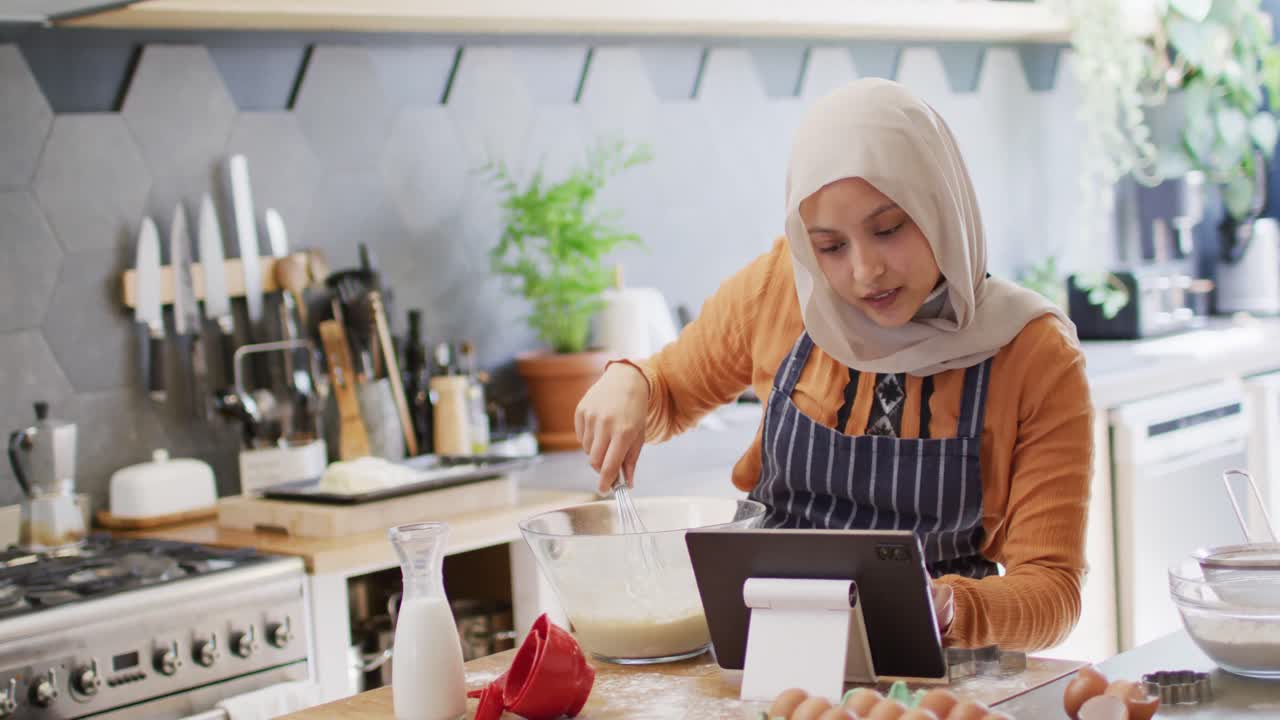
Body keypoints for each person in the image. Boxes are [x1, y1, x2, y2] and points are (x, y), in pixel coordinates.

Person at [573, 78, 1092, 652]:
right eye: (830, 246)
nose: (865, 271)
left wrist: (944, 606)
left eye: (889, 228)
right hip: (771, 659)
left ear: (942, 206)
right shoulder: (781, 290)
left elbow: (1053, 592)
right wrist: (628, 383)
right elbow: (667, 392)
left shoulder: (1034, 353)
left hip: (943, 679)